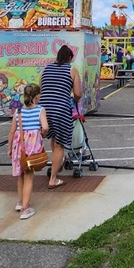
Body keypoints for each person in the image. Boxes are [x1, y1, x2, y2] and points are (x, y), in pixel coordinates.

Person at [39, 45, 83, 189]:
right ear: (70, 58)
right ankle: (53, 179)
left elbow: (41, 88)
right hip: (60, 109)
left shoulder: (47, 68)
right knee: (60, 145)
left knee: (53, 137)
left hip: (44, 109)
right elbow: (78, 93)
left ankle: (57, 163)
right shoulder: (72, 70)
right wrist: (75, 100)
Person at [8, 82, 48, 221]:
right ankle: (25, 209)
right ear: (37, 97)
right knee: (29, 176)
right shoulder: (40, 110)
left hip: (18, 147)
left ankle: (20, 202)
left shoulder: (18, 111)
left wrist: (9, 149)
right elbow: (45, 127)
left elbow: (12, 132)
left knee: (20, 175)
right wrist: (41, 134)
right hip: (31, 147)